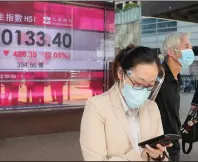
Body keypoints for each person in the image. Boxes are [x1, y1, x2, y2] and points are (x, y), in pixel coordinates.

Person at [80, 46, 171, 161]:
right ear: (120, 73)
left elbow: (163, 155)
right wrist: (136, 156)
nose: (143, 91)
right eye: (138, 83)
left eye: (149, 86)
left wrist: (159, 156)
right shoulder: (97, 107)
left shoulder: (151, 107)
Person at [155, 32, 194, 161]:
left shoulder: (177, 79)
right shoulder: (158, 78)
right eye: (187, 46)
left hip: (173, 145)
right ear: (171, 52)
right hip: (159, 148)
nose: (191, 50)